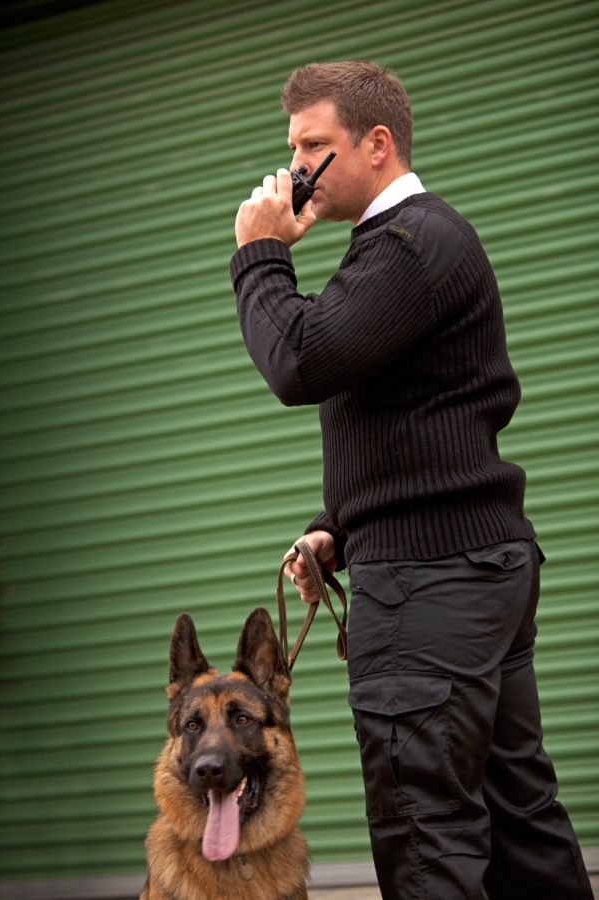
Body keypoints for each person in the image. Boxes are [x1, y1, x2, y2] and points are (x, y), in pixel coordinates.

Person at [230, 61, 592, 900]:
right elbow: (418, 419)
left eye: (313, 146)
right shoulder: (401, 250)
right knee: (518, 818)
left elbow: (300, 359)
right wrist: (341, 527)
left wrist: (258, 255)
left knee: (426, 833)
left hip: (433, 589)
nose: (294, 170)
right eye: (292, 149)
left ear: (378, 144)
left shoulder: (410, 245)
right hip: (469, 570)